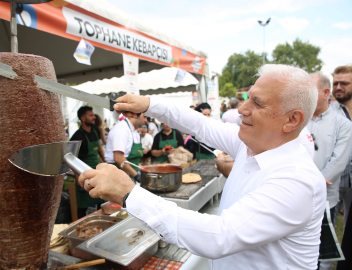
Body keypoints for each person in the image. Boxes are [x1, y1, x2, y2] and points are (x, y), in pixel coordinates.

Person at [77, 64, 326, 269]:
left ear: (292, 120)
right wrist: (150, 105)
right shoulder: (252, 144)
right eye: (247, 98)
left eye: (258, 104)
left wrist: (128, 193)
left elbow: (218, 236)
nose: (241, 109)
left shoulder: (297, 180)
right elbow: (201, 126)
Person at [308, 72, 352, 270]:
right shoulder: (297, 119)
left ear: (325, 92)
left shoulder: (343, 124)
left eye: (309, 91)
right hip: (295, 194)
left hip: (326, 197)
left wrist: (316, 182)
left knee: (323, 247)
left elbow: (339, 161)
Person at [69, 106, 105, 218]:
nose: (94, 117)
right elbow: (73, 160)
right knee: (83, 206)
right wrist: (79, 180)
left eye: (93, 114)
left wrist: (107, 163)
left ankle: (101, 222)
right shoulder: (77, 136)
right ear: (83, 118)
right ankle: (82, 228)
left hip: (97, 172)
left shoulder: (95, 130)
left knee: (101, 201)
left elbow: (99, 149)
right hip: (84, 175)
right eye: (91, 115)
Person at [331, 65, 352, 231]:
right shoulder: (328, 114)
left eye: (344, 83)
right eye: (335, 83)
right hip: (333, 181)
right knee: (327, 228)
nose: (338, 87)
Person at [104, 114, 145, 183]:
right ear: (137, 115)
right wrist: (136, 176)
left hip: (130, 175)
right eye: (145, 117)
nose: (146, 120)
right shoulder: (122, 129)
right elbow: (118, 158)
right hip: (118, 176)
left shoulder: (134, 131)